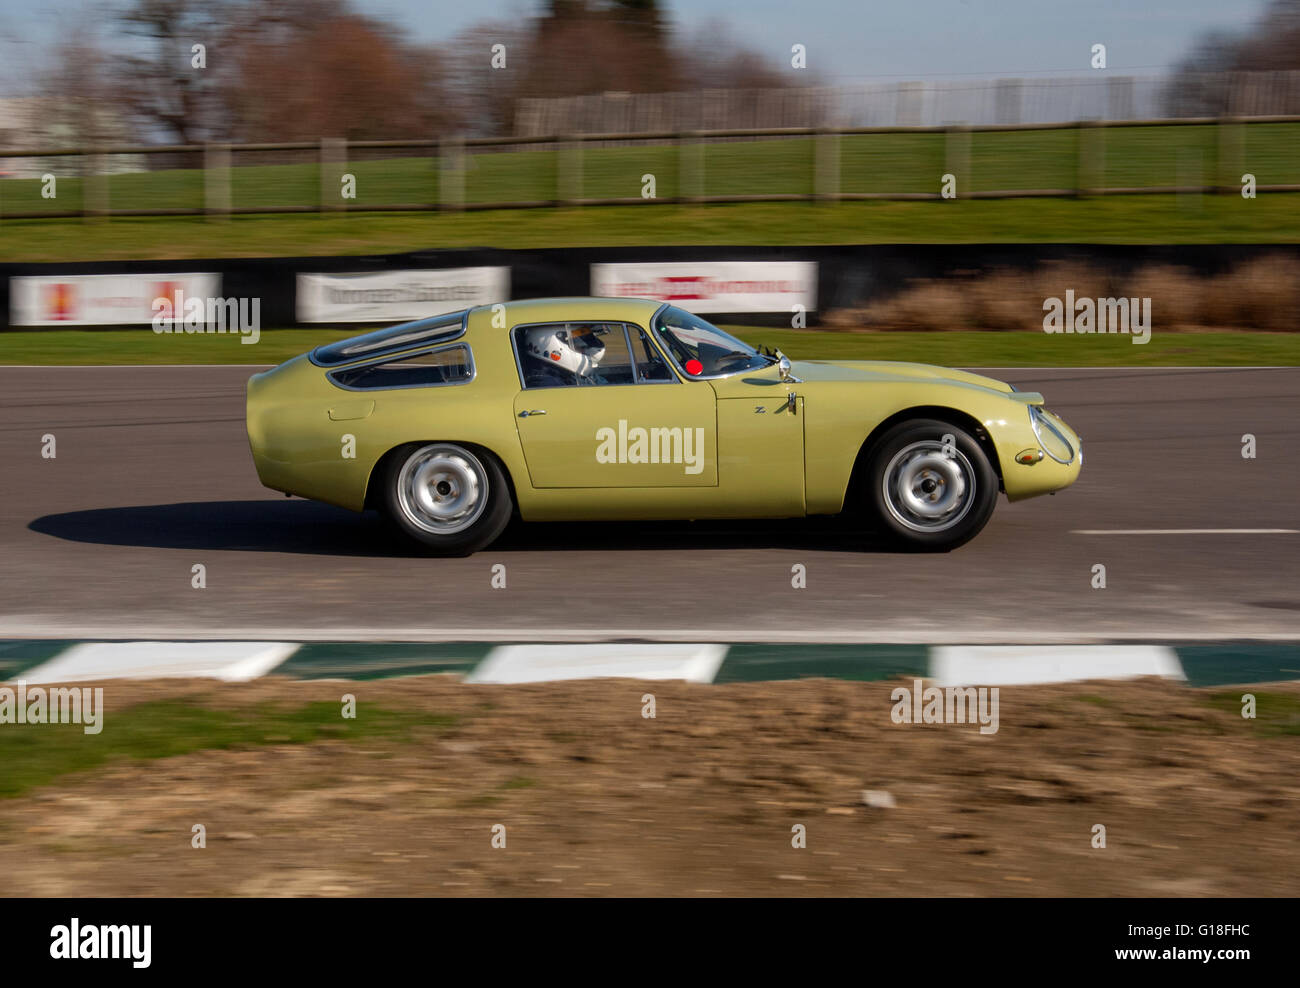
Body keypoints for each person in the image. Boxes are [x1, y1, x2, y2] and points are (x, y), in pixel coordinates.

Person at [522, 324, 606, 386]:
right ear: (552, 345)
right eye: (579, 345)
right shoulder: (547, 384)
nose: (584, 350)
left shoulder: (565, 374)